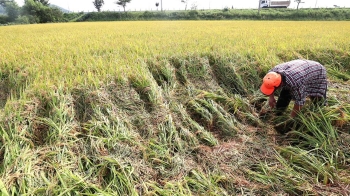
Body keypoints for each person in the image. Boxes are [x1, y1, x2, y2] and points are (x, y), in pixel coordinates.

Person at [260, 59, 328, 117]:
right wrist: (271, 98)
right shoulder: (271, 74)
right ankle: (279, 112)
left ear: (280, 84)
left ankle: (322, 112)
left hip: (317, 71)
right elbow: (270, 85)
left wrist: (291, 119)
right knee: (285, 93)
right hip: (300, 67)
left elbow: (299, 101)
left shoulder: (295, 82)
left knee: (317, 98)